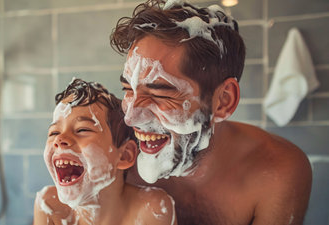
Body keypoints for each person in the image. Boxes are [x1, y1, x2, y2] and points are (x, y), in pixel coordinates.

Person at [110, 0, 312, 224]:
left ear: (224, 101)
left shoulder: (276, 170)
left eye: (160, 94)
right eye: (128, 90)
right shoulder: (115, 156)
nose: (131, 117)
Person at [33, 78, 178, 225]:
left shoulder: (151, 209)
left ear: (124, 155)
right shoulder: (49, 206)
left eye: (82, 129)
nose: (60, 139)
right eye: (53, 132)